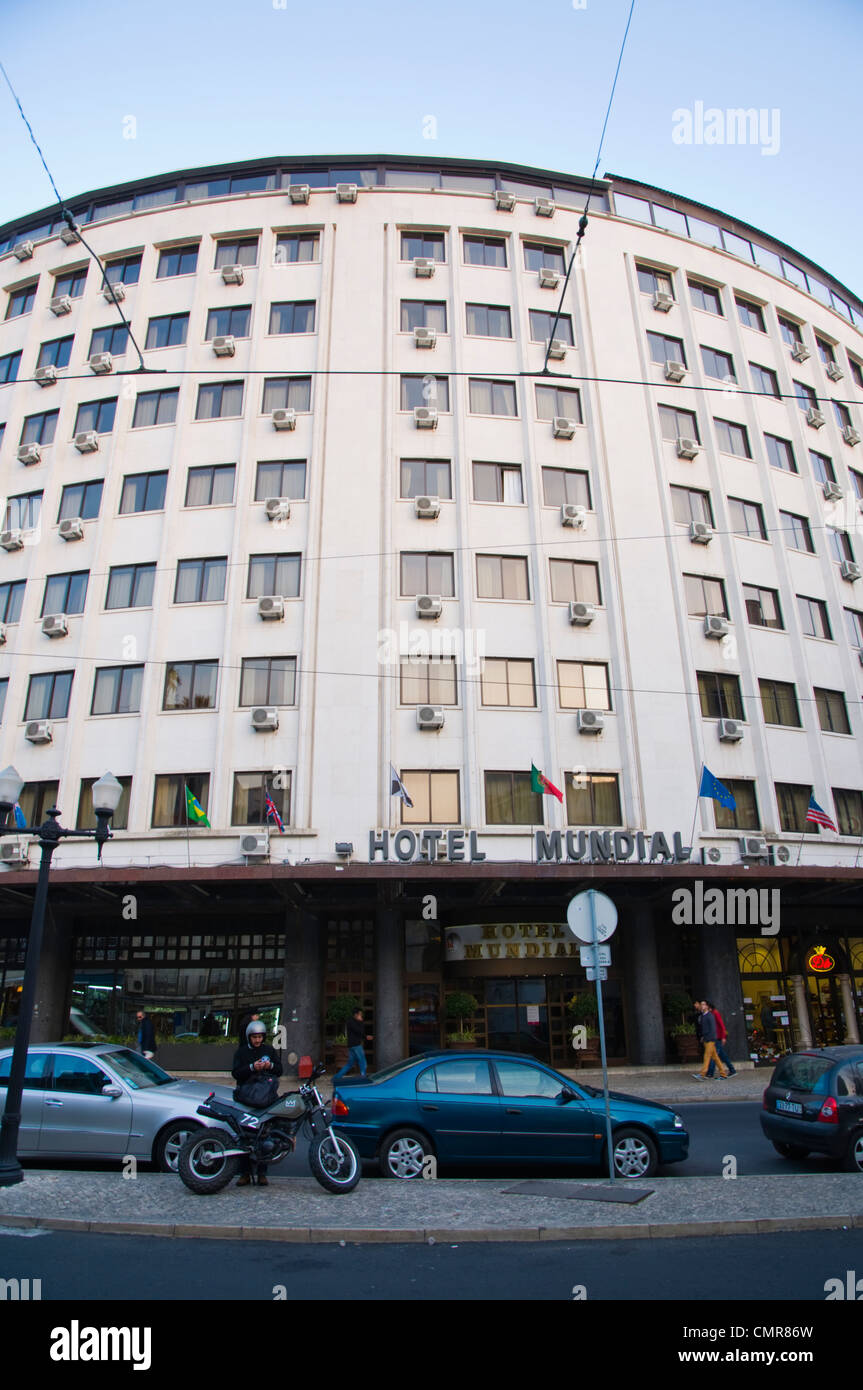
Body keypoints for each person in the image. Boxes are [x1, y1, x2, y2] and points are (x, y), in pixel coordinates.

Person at [231, 1019, 283, 1186]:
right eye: (255, 1037)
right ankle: (244, 1173)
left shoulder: (269, 1050)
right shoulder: (241, 1053)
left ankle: (262, 1173)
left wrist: (270, 1065)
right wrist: (252, 1067)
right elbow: (236, 1073)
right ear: (249, 1037)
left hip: (265, 1098)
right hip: (247, 1097)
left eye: (260, 1037)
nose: (258, 1040)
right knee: (245, 1135)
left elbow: (280, 1070)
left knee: (264, 1134)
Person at [332, 1008, 372, 1087]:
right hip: (356, 1045)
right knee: (362, 1062)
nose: (361, 1016)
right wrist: (361, 1022)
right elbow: (359, 1031)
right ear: (356, 1014)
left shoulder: (351, 1021)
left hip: (351, 1045)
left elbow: (359, 1032)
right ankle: (363, 1077)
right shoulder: (352, 1022)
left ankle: (336, 1078)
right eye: (360, 1014)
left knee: (350, 1064)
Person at [693, 1001, 728, 1080]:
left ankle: (702, 1073)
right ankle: (723, 1074)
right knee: (715, 1057)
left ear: (707, 1006)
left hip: (710, 1039)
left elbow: (713, 1028)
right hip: (706, 1039)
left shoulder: (710, 1016)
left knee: (707, 1056)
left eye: (704, 1005)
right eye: (701, 1004)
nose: (702, 1006)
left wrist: (710, 1038)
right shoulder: (703, 1016)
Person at [706, 999, 737, 1077]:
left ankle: (710, 1072)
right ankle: (732, 1069)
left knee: (714, 1055)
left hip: (718, 1037)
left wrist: (723, 1037)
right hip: (716, 1037)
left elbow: (721, 1025)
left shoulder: (715, 1013)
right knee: (722, 1055)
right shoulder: (711, 1013)